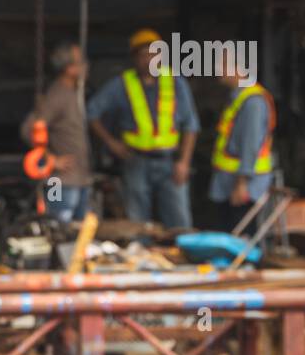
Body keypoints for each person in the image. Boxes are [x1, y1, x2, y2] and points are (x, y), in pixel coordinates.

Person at [87, 28, 200, 229]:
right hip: (136, 161)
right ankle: (141, 256)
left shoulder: (176, 83)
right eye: (144, 55)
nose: (149, 59)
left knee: (179, 220)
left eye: (154, 54)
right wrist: (111, 143)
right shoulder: (121, 84)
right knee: (138, 221)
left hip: (170, 162)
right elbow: (92, 112)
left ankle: (184, 256)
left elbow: (191, 124)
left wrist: (184, 161)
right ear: (134, 58)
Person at [20, 41, 91, 223]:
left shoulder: (72, 93)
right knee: (56, 227)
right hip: (58, 181)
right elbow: (29, 129)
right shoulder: (57, 95)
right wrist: (51, 159)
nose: (86, 66)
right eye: (80, 62)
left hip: (78, 179)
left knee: (77, 234)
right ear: (69, 68)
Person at [208, 67, 276, 233]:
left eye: (223, 65)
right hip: (229, 182)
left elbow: (250, 144)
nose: (218, 70)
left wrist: (242, 183)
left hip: (244, 187)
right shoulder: (238, 97)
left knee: (241, 239)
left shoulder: (252, 101)